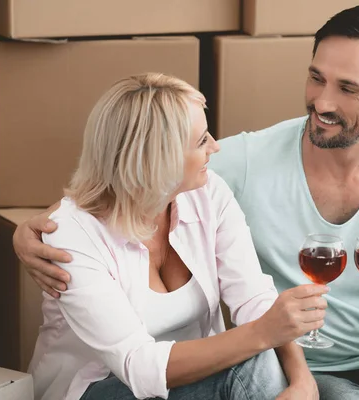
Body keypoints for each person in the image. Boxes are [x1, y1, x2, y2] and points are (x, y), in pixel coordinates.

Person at [15, 6, 359, 400]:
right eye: (316, 77)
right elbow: (125, 171)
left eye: (348, 88)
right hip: (279, 365)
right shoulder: (240, 161)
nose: (322, 102)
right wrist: (32, 232)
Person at [25, 73, 323, 400]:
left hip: (197, 384)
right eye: (201, 141)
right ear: (155, 160)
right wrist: (262, 334)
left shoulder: (208, 194)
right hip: (99, 388)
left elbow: (255, 301)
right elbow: (138, 366)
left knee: (262, 356)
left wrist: (302, 382)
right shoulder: (71, 235)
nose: (215, 147)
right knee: (250, 359)